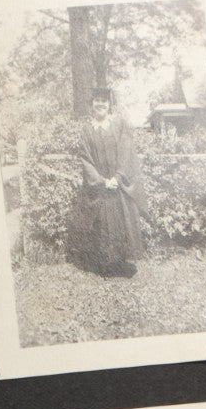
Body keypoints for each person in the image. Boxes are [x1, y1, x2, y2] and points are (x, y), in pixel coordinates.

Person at [73, 87, 146, 278]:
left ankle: (121, 263)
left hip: (118, 184)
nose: (100, 104)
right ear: (91, 104)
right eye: (96, 100)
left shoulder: (119, 124)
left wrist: (118, 177)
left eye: (104, 101)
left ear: (109, 104)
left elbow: (127, 151)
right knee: (102, 224)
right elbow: (85, 159)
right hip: (100, 186)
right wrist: (102, 181)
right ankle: (105, 265)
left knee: (121, 222)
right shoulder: (87, 130)